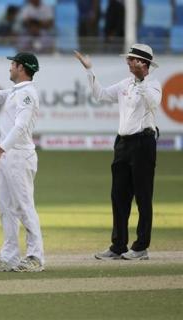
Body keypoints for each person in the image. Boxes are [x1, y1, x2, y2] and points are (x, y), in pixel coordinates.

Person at [75, 44, 161, 261]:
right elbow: (100, 95)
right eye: (129, 59)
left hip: (143, 143)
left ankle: (141, 247)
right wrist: (89, 70)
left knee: (143, 196)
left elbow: (153, 103)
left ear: (144, 63)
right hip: (122, 144)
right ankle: (118, 246)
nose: (129, 62)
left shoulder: (153, 85)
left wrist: (141, 81)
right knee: (119, 196)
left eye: (133, 59)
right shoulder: (125, 84)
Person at [0, 52, 45, 273]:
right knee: (5, 208)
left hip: (19, 155)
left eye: (13, 64)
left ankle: (35, 257)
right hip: (8, 156)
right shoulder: (16, 92)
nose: (10, 68)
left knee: (24, 206)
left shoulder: (27, 94)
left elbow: (21, 126)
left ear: (21, 68)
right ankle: (10, 257)